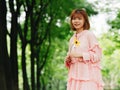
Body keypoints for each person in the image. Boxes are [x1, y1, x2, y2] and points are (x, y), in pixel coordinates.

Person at [64, 9, 104, 90]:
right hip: (74, 78)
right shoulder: (72, 39)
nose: (76, 21)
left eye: (79, 18)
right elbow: (71, 60)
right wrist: (68, 60)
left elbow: (98, 56)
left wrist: (81, 55)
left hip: (88, 77)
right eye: (74, 19)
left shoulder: (89, 35)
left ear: (85, 20)